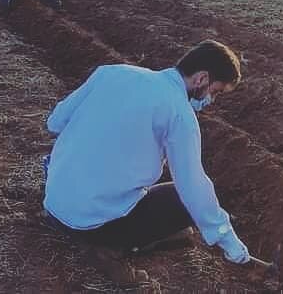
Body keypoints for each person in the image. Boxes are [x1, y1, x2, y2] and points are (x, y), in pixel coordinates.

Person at [43, 40, 250, 282]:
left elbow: (54, 122)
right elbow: (193, 186)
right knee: (180, 199)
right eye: (215, 92)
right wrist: (231, 244)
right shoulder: (180, 114)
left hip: (54, 204)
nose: (211, 101)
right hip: (93, 224)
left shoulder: (112, 72)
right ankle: (109, 248)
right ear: (201, 78)